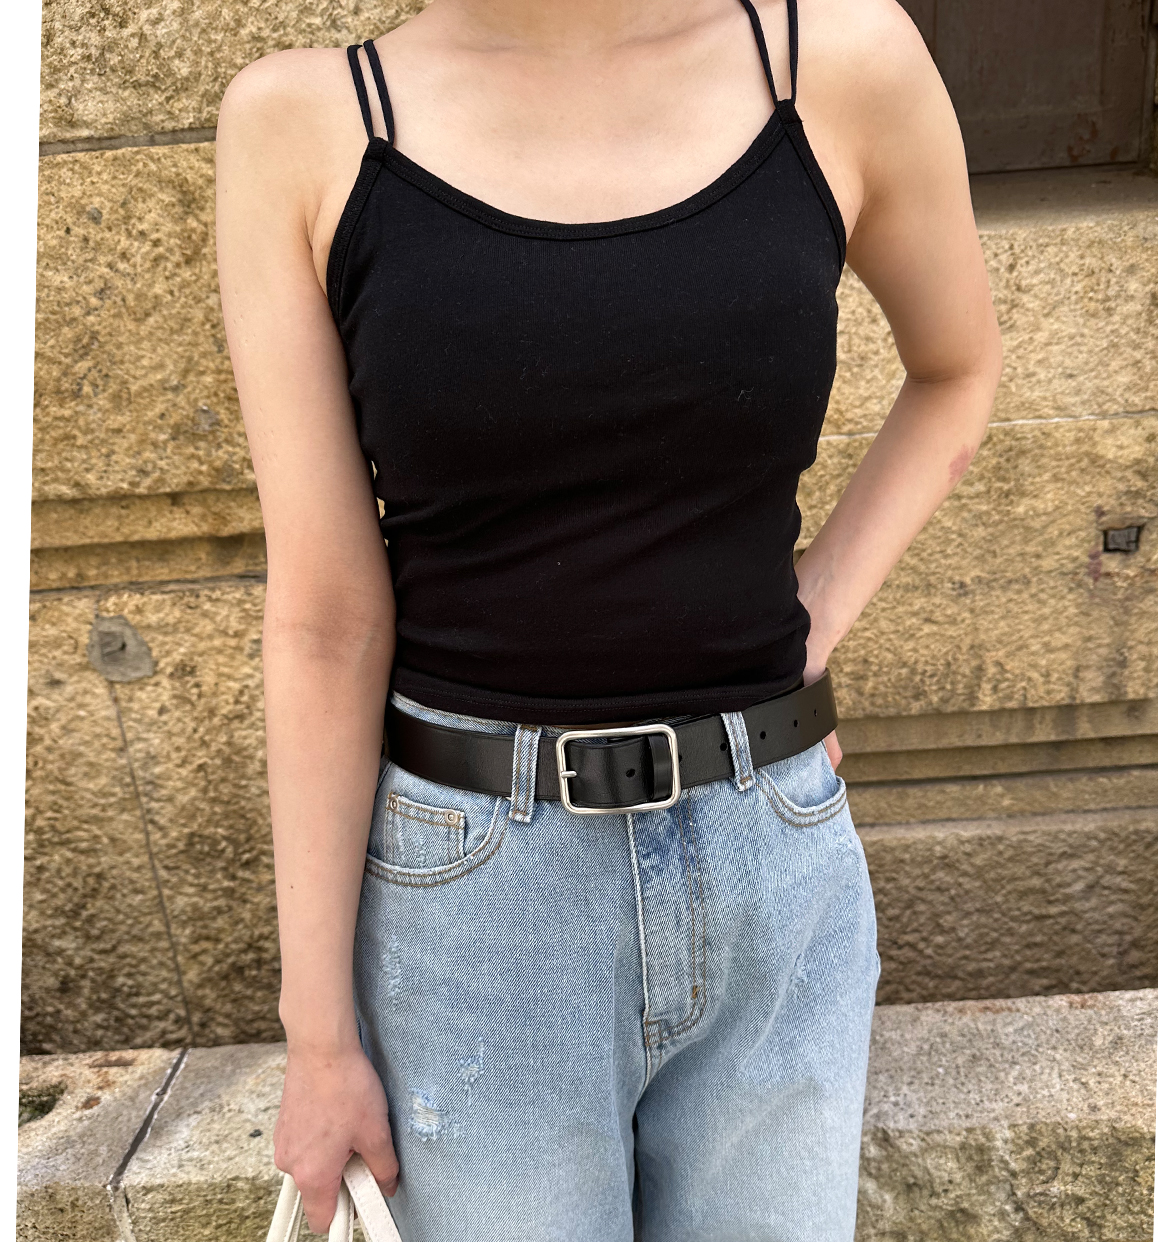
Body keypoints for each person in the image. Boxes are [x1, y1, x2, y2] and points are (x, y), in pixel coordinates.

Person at [215, 0, 1001, 1236]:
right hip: (475, 907)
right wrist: (318, 1036)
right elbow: (324, 618)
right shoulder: (306, 126)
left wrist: (807, 622)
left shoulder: (839, 63)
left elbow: (958, 368)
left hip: (773, 867)